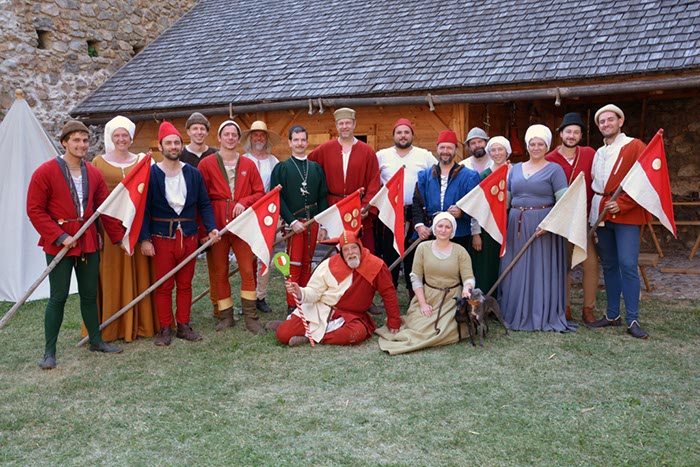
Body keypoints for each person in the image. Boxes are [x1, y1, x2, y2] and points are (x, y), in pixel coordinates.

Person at [27, 120, 125, 370]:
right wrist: (60, 237)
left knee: (90, 295)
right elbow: (35, 210)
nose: (82, 145)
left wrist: (118, 237)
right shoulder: (45, 171)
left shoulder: (94, 173)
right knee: (58, 297)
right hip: (59, 243)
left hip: (89, 241)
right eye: (76, 140)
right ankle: (49, 352)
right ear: (64, 142)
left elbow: (105, 210)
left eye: (85, 140)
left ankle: (95, 340)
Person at [139, 121, 219, 346]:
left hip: (189, 236)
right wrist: (145, 238)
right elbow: (143, 209)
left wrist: (211, 228)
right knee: (164, 285)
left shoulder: (193, 174)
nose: (173, 146)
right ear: (160, 146)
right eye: (168, 143)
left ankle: (183, 324)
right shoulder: (152, 174)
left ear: (181, 145)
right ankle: (165, 328)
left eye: (176, 142)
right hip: (162, 237)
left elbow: (204, 204)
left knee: (185, 283)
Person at [87, 116, 159, 343]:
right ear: (111, 137)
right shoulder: (98, 162)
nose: (121, 139)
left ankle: (140, 323)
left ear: (131, 137)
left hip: (136, 227)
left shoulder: (143, 161)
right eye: (116, 135)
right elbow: (91, 200)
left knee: (139, 272)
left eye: (124, 135)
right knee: (111, 276)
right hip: (108, 231)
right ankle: (112, 326)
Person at [498, 124, 574, 332]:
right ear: (527, 145)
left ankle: (539, 312)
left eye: (540, 144)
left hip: (543, 225)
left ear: (547, 146)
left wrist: (550, 225)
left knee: (540, 268)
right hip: (516, 224)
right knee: (516, 266)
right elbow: (506, 200)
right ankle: (515, 311)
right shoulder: (514, 170)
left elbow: (564, 202)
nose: (536, 147)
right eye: (532, 143)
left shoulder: (555, 170)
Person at [274, 230, 401, 347]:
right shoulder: (329, 265)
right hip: (320, 309)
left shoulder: (376, 265)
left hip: (351, 317)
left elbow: (388, 293)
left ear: (360, 247)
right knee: (283, 334)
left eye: (353, 248)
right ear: (341, 252)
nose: (350, 253)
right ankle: (293, 327)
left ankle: (309, 337)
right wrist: (300, 292)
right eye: (346, 249)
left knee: (356, 334)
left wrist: (394, 321)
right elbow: (314, 291)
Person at [587, 104, 650, 338]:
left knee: (627, 264)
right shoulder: (599, 153)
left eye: (610, 120)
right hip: (602, 213)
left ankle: (633, 319)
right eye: (601, 122)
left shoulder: (634, 146)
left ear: (620, 121)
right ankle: (613, 314)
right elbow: (596, 186)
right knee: (610, 265)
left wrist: (622, 204)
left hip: (626, 215)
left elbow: (644, 181)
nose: (606, 124)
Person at [198, 120, 266, 334]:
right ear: (219, 138)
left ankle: (251, 317)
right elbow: (201, 200)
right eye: (226, 134)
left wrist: (243, 202)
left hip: (243, 225)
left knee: (247, 269)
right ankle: (226, 315)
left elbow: (260, 194)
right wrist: (205, 230)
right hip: (216, 224)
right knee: (220, 271)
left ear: (238, 139)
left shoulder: (248, 164)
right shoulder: (207, 164)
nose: (230, 138)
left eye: (233, 135)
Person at [376, 213, 474, 355]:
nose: (443, 230)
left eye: (448, 227)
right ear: (434, 228)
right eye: (440, 226)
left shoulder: (460, 251)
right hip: (428, 296)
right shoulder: (423, 248)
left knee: (446, 328)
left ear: (452, 231)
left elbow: (468, 277)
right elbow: (416, 277)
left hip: (452, 298)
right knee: (419, 327)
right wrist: (422, 304)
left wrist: (467, 288)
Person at [545, 112, 598, 324]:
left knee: (590, 263)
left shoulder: (589, 154)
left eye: (576, 132)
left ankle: (588, 309)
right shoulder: (549, 159)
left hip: (582, 218)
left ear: (581, 135)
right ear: (561, 134)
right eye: (568, 131)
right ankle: (565, 307)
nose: (572, 135)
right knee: (563, 265)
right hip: (561, 220)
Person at [270, 125, 328, 315]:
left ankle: (304, 301)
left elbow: (322, 197)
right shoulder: (282, 168)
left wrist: (322, 223)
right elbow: (277, 197)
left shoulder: (316, 168)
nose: (300, 143)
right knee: (293, 264)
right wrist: (291, 221)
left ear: (307, 141)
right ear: (290, 142)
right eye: (296, 140)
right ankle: (292, 305)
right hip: (293, 224)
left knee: (307, 262)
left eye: (303, 139)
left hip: (312, 222)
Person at [375, 118, 436, 295]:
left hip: (414, 212)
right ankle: (389, 291)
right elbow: (373, 181)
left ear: (412, 135)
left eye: (406, 132)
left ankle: (413, 294)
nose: (403, 136)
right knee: (389, 253)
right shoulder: (382, 155)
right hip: (389, 212)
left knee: (414, 254)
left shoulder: (424, 155)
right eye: (399, 132)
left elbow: (435, 177)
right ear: (393, 135)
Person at [309, 107, 381, 253]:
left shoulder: (367, 151)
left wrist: (366, 206)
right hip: (334, 207)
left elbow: (374, 182)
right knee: (338, 250)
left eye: (348, 123)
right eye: (341, 124)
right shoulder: (325, 149)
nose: (344, 127)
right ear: (336, 126)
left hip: (358, 208)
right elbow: (308, 169)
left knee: (363, 249)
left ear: (354, 125)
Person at [179, 112, 220, 318]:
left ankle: (218, 306)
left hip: (210, 214)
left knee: (216, 266)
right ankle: (181, 312)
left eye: (202, 128)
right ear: (188, 131)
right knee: (183, 268)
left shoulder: (215, 154)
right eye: (194, 128)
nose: (198, 132)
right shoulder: (179, 155)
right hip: (185, 217)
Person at [413, 129, 480, 249]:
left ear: (456, 149)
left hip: (459, 233)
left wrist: (462, 213)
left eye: (449, 148)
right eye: (442, 147)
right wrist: (420, 225)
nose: (445, 151)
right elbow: (417, 203)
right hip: (431, 231)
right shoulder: (424, 176)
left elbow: (476, 205)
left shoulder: (470, 176)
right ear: (437, 149)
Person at [241, 120, 280, 314]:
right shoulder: (243, 160)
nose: (258, 138)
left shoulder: (274, 162)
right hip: (247, 214)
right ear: (250, 138)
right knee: (247, 258)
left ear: (267, 139)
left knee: (265, 255)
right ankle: (247, 296)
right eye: (255, 135)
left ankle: (260, 296)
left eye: (262, 135)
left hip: (268, 215)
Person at [468, 136, 512, 294]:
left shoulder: (516, 172)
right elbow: (476, 206)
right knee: (487, 265)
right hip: (487, 224)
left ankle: (506, 301)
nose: (497, 153)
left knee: (507, 262)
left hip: (509, 223)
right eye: (493, 150)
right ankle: (485, 302)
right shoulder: (484, 175)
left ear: (507, 151)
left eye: (500, 149)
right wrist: (476, 233)